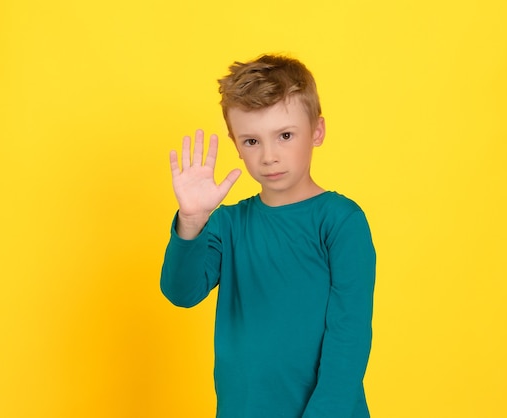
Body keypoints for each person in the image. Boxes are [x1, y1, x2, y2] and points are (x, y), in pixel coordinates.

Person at [160, 54, 376, 418]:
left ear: (317, 131)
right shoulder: (227, 224)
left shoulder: (341, 221)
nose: (269, 156)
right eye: (251, 141)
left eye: (285, 135)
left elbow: (349, 335)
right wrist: (192, 221)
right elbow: (181, 292)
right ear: (235, 143)